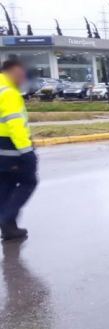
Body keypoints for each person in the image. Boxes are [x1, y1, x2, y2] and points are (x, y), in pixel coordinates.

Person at [0, 60, 37, 241]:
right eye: (21, 73)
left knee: (5, 185)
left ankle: (9, 227)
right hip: (11, 149)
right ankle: (6, 218)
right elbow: (15, 125)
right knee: (29, 181)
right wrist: (27, 151)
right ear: (13, 70)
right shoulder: (9, 93)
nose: (23, 77)